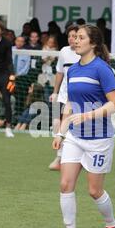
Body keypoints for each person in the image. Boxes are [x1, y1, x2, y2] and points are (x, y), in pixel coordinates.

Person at [49, 24, 115, 228]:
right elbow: (70, 104)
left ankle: (111, 226)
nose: (75, 41)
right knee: (65, 184)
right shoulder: (73, 70)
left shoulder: (102, 69)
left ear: (93, 43)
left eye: (81, 38)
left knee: (94, 191)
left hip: (99, 139)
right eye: (75, 37)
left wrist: (90, 115)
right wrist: (61, 133)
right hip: (75, 137)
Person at [48, 25, 80, 171]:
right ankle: (59, 156)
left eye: (75, 36)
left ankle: (79, 157)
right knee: (57, 123)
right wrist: (55, 92)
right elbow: (60, 72)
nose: (72, 39)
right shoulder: (64, 51)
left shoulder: (85, 52)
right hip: (63, 95)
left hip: (79, 96)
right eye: (69, 36)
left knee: (76, 126)